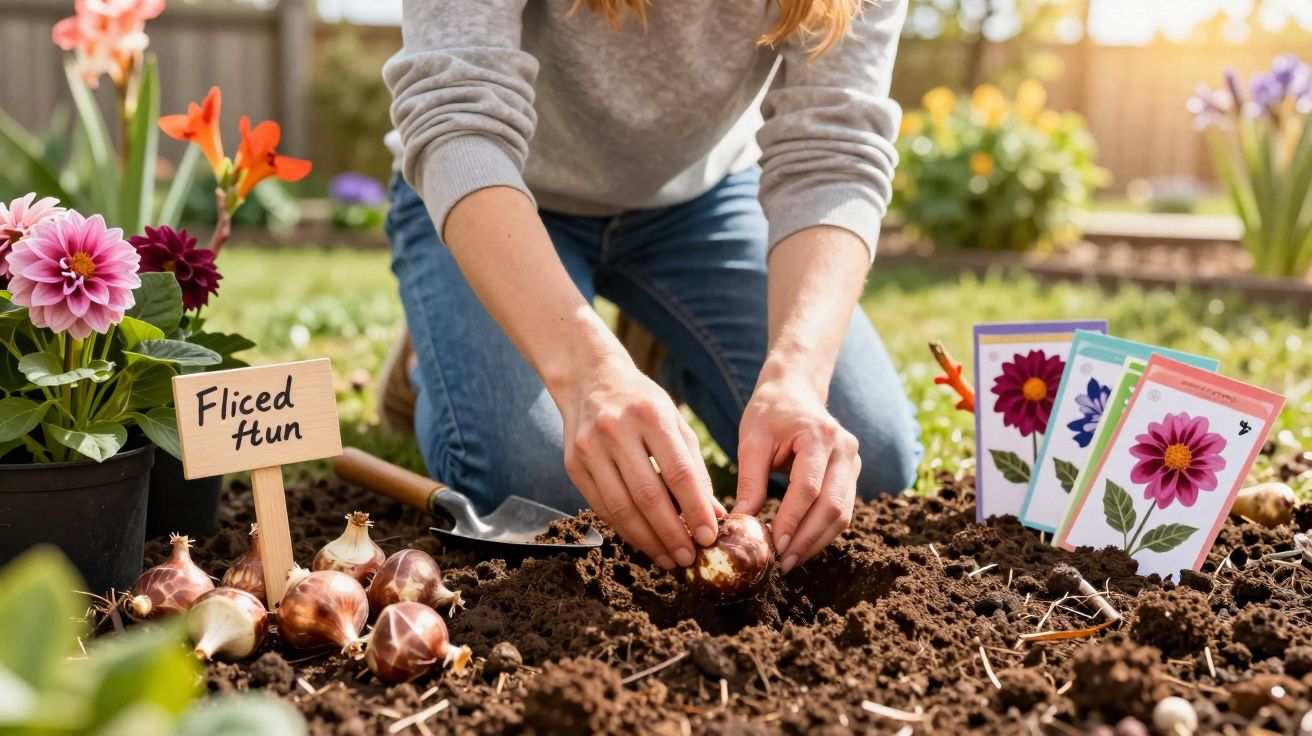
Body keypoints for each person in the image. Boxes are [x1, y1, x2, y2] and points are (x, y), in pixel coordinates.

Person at [381, 0, 920, 577]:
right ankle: (442, 347)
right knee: (538, 487)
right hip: (493, 189)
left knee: (868, 463)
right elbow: (456, 116)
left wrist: (798, 379)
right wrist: (586, 375)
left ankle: (656, 348)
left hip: (699, 204)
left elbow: (834, 150)